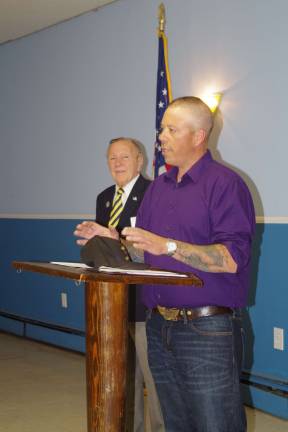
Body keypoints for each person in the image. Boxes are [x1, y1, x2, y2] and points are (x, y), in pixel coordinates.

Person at [120, 97, 256, 432]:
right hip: (158, 327)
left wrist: (167, 245)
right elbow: (146, 253)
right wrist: (112, 241)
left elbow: (231, 259)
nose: (161, 136)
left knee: (216, 425)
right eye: (161, 128)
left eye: (171, 129)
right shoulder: (159, 188)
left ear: (198, 136)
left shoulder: (225, 184)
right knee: (176, 424)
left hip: (205, 331)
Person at [74, 137, 165, 432]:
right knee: (126, 380)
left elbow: (153, 249)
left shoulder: (155, 193)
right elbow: (107, 250)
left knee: (154, 380)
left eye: (124, 157)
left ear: (140, 161)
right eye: (112, 158)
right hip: (113, 304)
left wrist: (115, 238)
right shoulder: (104, 198)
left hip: (145, 302)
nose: (117, 164)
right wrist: (92, 242)